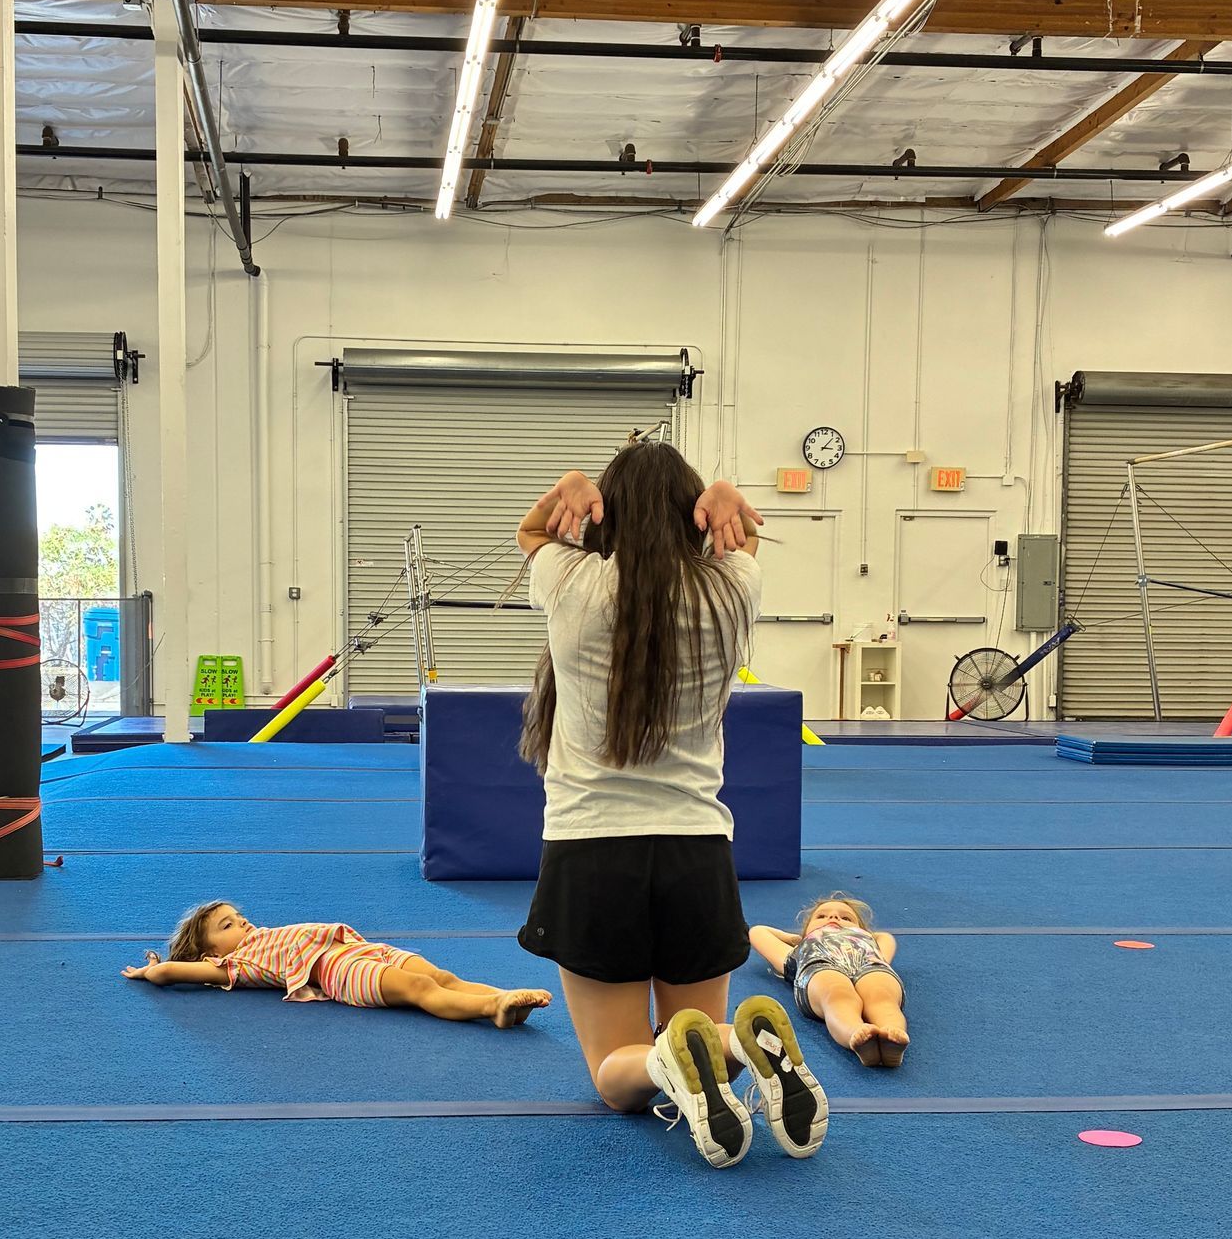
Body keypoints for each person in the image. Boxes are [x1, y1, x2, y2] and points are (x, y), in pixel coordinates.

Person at [514, 438, 828, 1168]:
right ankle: (726, 1045)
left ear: (606, 516)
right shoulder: (730, 590)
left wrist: (568, 482)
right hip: (696, 850)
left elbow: (532, 532)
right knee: (694, 1034)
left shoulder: (571, 582)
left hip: (591, 852)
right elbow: (742, 537)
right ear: (695, 519)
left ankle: (674, 1064)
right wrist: (722, 490)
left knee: (617, 1073)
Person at [125, 902, 550, 1029]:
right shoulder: (233, 966)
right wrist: (151, 970)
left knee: (441, 977)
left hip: (360, 948)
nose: (242, 922)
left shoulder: (258, 935)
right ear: (212, 955)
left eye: (238, 915)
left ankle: (501, 997)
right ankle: (490, 1010)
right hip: (335, 971)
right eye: (227, 925)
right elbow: (170, 973)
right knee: (420, 991)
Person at [749, 896, 909, 1070]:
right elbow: (758, 932)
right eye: (821, 916)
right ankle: (854, 1033)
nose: (833, 918)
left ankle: (892, 1033)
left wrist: (861, 933)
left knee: (882, 996)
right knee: (836, 994)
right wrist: (798, 938)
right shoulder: (798, 949)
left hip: (870, 965)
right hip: (819, 967)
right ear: (806, 930)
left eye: (846, 918)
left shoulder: (869, 941)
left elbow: (885, 938)